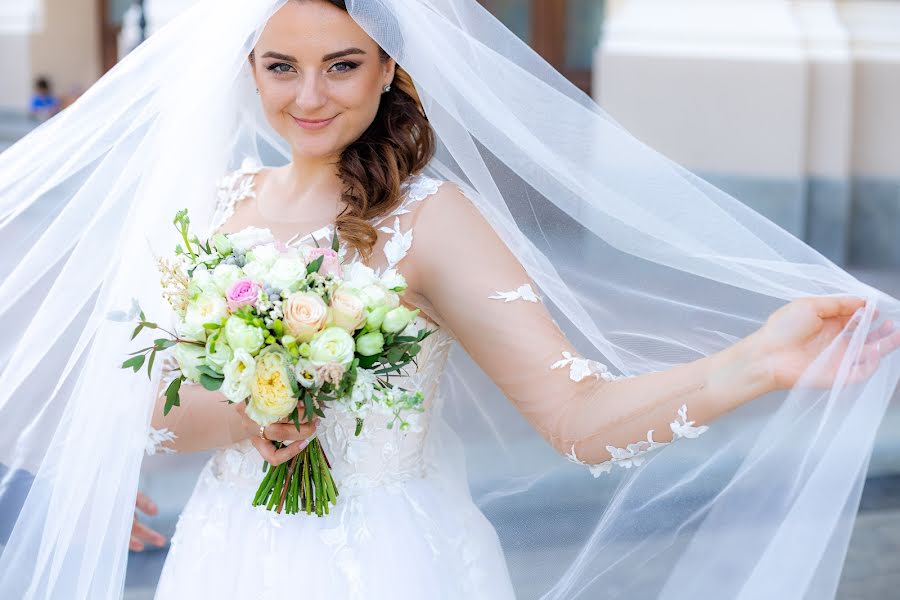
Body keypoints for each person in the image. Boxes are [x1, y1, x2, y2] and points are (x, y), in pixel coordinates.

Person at [1, 1, 898, 598]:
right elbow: (148, 405)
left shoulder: (430, 222)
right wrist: (237, 416)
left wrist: (754, 364)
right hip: (224, 558)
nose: (309, 96)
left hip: (391, 563)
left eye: (342, 65)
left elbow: (575, 416)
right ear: (250, 69)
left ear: (390, 68)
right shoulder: (210, 211)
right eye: (281, 67)